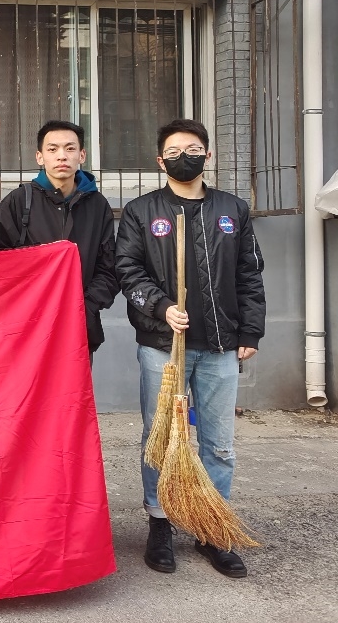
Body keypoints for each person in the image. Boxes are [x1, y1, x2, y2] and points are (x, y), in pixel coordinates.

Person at [116, 118, 265, 579]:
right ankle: (159, 523)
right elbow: (127, 271)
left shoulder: (233, 209)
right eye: (176, 151)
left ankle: (212, 528)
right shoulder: (141, 211)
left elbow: (249, 274)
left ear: (208, 155)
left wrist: (250, 332)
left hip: (220, 346)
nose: (186, 157)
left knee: (218, 444)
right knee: (160, 437)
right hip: (164, 347)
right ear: (161, 161)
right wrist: (161, 308)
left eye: (194, 149)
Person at [0, 120, 120, 354]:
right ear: (40, 157)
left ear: (82, 155)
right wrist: (41, 264)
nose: (62, 156)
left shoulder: (98, 205)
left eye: (70, 148)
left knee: (75, 380)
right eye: (53, 149)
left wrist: (85, 306)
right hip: (26, 327)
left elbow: (108, 269)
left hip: (79, 328)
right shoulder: (19, 201)